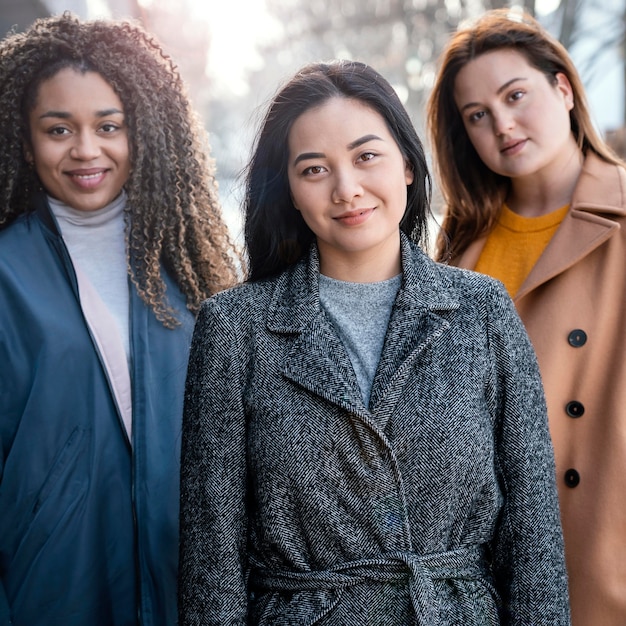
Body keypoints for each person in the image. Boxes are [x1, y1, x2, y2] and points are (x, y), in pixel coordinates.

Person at [178, 59, 570, 625]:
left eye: (367, 157)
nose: (347, 189)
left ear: (407, 165)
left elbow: (533, 535)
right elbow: (211, 561)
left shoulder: (482, 310)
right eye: (314, 169)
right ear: (287, 188)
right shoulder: (235, 329)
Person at [0, 12, 239, 626]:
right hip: (47, 594)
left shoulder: (191, 267)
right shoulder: (6, 270)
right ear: (25, 140)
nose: (86, 149)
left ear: (147, 133)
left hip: (190, 593)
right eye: (59, 129)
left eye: (110, 126)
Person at [427, 8, 626, 626]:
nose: (503, 125)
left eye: (516, 96)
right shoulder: (458, 251)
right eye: (477, 116)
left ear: (562, 88)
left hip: (601, 549)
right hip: (491, 574)